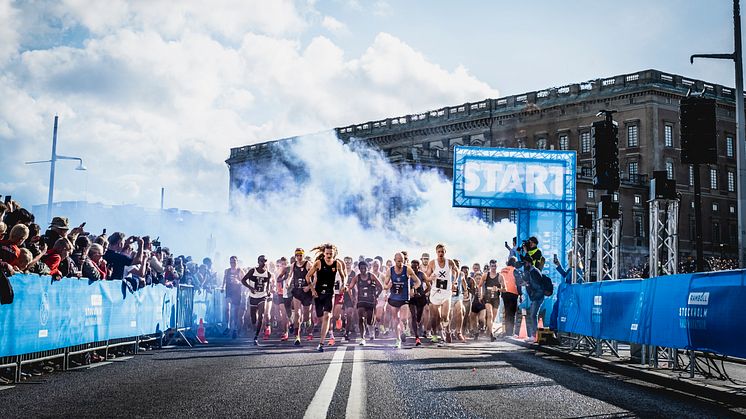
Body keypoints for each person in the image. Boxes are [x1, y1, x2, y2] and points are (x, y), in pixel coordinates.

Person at [306, 243, 346, 352]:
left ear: (334, 254)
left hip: (329, 293)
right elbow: (308, 276)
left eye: (331, 254)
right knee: (320, 318)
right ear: (324, 253)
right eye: (327, 253)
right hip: (318, 294)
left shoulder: (337, 264)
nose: (328, 256)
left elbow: (344, 276)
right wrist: (312, 289)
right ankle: (322, 333)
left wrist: (344, 285)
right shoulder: (318, 263)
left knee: (327, 316)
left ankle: (321, 343)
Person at [383, 252, 421, 348]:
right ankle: (398, 339)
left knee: (403, 318)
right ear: (395, 260)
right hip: (394, 298)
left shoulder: (407, 269)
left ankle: (405, 327)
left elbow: (418, 282)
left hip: (404, 298)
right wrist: (388, 286)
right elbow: (384, 285)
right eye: (399, 261)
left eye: (402, 261)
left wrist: (413, 288)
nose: (400, 263)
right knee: (395, 320)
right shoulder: (390, 271)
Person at [425, 243, 459, 344]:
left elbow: (457, 271)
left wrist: (454, 282)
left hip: (446, 292)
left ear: (445, 252)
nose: (441, 254)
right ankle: (435, 335)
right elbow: (426, 277)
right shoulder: (432, 263)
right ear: (436, 252)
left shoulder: (450, 262)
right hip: (436, 292)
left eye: (442, 252)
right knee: (435, 317)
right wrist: (430, 279)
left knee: (445, 316)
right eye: (439, 252)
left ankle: (447, 331)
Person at [347, 260, 383, 346]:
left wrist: (376, 296)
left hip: (370, 300)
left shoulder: (372, 276)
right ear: (359, 269)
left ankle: (371, 330)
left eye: (364, 268)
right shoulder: (357, 277)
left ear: (368, 268)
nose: (363, 270)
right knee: (361, 318)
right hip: (361, 300)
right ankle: (362, 338)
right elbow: (350, 287)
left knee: (370, 320)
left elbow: (380, 287)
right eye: (361, 268)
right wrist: (352, 297)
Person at [242, 255, 273, 346]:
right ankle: (254, 329)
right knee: (253, 318)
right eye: (262, 261)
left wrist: (268, 292)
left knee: (261, 315)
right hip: (252, 297)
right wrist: (250, 287)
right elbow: (243, 280)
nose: (263, 263)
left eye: (265, 261)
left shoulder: (268, 274)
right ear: (258, 262)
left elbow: (267, 286)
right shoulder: (252, 271)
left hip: (262, 297)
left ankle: (256, 336)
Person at [289, 248, 314, 345]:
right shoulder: (293, 265)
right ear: (295, 256)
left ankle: (307, 322)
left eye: (301, 255)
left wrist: (309, 286)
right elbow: (290, 275)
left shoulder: (308, 264)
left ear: (303, 255)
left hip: (306, 292)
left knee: (306, 316)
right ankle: (297, 336)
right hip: (297, 291)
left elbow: (315, 277)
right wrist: (288, 282)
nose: (299, 257)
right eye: (297, 255)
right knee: (297, 314)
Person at [520, 255, 545, 340]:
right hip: (536, 296)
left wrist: (528, 286)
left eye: (525, 263)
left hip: (537, 296)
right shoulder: (532, 271)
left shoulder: (534, 272)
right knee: (533, 315)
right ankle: (533, 335)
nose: (524, 265)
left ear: (529, 263)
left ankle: (534, 335)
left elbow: (537, 285)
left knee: (533, 315)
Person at [479, 259, 502, 341]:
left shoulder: (500, 276)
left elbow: (505, 289)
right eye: (492, 266)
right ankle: (492, 334)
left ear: (497, 266)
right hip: (487, 297)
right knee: (490, 314)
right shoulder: (485, 275)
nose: (493, 268)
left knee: (493, 317)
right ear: (490, 266)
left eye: (495, 266)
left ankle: (489, 329)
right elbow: (480, 285)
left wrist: (498, 289)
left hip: (496, 298)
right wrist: (481, 294)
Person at [223, 256, 245, 339]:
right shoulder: (227, 271)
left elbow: (244, 281)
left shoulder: (240, 271)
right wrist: (222, 287)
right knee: (227, 308)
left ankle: (235, 328)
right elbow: (224, 279)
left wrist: (238, 282)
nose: (232, 264)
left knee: (235, 311)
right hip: (229, 291)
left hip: (237, 292)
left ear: (237, 262)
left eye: (234, 262)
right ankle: (228, 326)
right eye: (231, 262)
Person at [408, 259, 428, 346]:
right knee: (413, 316)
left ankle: (419, 326)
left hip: (420, 298)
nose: (413, 269)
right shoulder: (408, 275)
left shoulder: (421, 274)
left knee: (418, 318)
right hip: (412, 298)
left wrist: (423, 293)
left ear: (418, 267)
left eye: (415, 267)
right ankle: (417, 337)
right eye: (412, 267)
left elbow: (429, 286)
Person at [500, 257, 520, 337]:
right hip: (513, 292)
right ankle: (510, 332)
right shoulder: (515, 270)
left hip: (504, 293)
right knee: (512, 313)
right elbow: (518, 282)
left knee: (507, 312)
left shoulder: (502, 270)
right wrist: (520, 294)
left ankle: (507, 331)